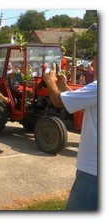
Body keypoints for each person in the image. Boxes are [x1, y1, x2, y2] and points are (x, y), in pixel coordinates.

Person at [44, 51, 97, 210]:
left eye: (95, 61)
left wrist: (50, 82)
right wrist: (64, 87)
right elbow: (88, 106)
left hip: (93, 169)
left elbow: (58, 101)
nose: (92, 66)